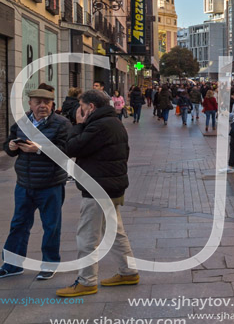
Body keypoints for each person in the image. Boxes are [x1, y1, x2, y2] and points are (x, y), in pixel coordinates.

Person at [55, 89, 138, 297]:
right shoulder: (113, 122)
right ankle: (128, 271)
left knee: (87, 236)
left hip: (98, 187)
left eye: (81, 106)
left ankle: (86, 281)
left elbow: (71, 148)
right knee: (115, 231)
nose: (79, 111)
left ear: (90, 107)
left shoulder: (98, 126)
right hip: (110, 185)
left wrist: (79, 124)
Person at [0, 86, 69, 280]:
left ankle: (49, 263)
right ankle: (12, 265)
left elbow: (66, 150)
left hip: (50, 184)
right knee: (18, 224)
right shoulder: (22, 122)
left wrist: (39, 149)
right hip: (24, 184)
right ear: (30, 104)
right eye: (38, 102)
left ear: (52, 104)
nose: (42, 106)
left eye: (47, 102)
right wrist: (12, 146)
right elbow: (9, 146)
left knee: (51, 226)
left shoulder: (62, 124)